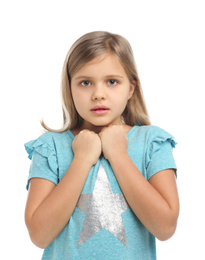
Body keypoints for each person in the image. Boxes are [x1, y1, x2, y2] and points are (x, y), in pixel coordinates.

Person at [24, 31, 179, 260]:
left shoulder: (152, 143)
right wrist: (82, 159)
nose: (98, 94)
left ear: (131, 88)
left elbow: (165, 227)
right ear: (70, 87)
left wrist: (119, 155)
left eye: (112, 82)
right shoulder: (50, 147)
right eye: (85, 82)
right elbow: (39, 235)